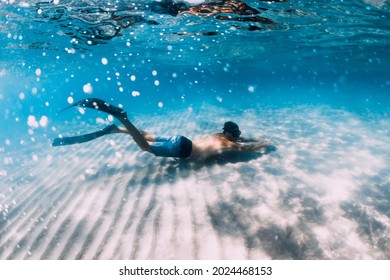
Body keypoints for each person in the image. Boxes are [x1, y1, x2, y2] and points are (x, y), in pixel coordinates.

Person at [52, 98, 273, 159]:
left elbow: (240, 141)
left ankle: (117, 129)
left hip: (182, 139)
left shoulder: (219, 135)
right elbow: (247, 149)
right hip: (184, 151)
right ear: (229, 134)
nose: (237, 137)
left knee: (149, 135)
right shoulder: (228, 144)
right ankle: (123, 119)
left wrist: (246, 137)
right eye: (236, 134)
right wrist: (264, 143)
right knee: (146, 147)